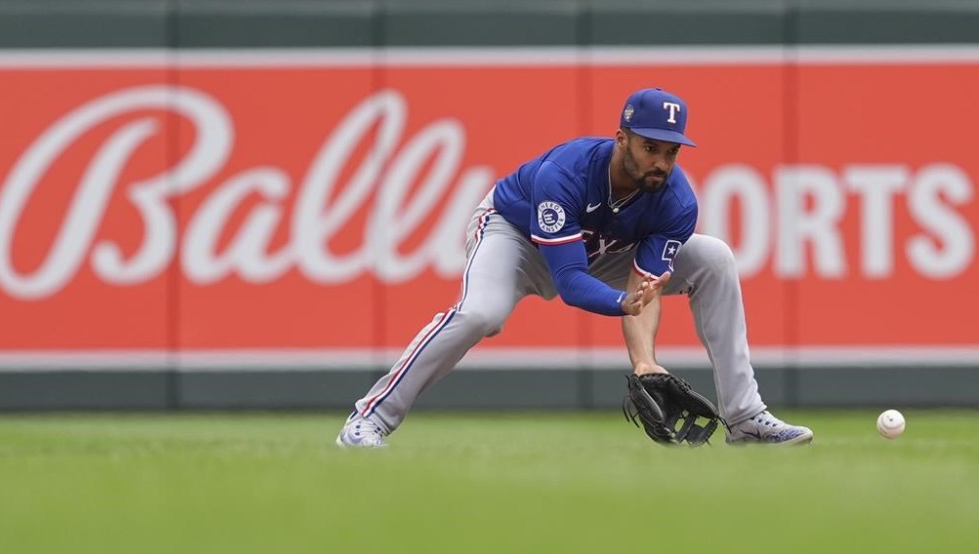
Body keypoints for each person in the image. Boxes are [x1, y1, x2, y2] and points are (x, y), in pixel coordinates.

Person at [336, 87, 813, 447]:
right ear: (621, 139)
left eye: (671, 152)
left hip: (600, 253)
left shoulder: (675, 201)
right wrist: (622, 301)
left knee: (713, 257)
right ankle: (369, 418)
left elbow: (641, 287)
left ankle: (746, 418)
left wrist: (643, 363)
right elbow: (568, 282)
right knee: (482, 313)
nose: (661, 162)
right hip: (516, 237)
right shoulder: (565, 173)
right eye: (651, 147)